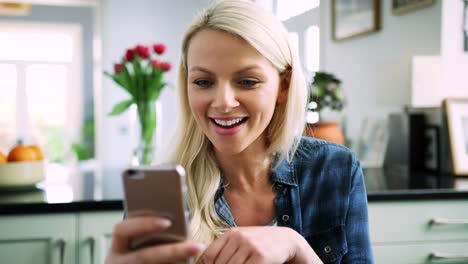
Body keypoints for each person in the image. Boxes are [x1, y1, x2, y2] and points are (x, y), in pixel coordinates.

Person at [106, 0, 373, 263]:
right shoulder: (162, 196)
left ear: (283, 86)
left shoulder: (335, 169)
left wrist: (296, 247)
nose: (223, 102)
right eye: (203, 81)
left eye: (247, 81)